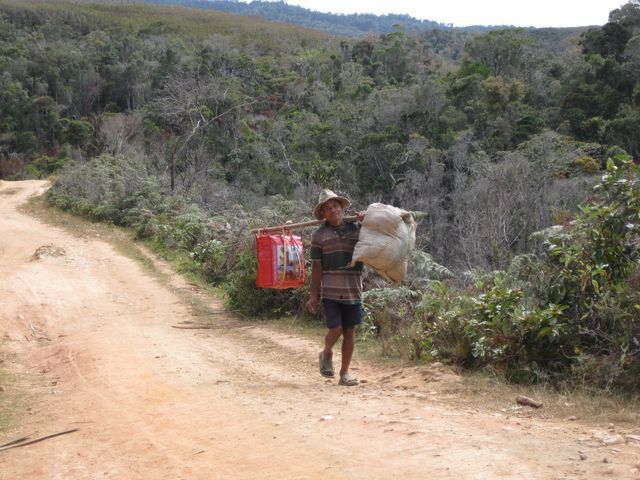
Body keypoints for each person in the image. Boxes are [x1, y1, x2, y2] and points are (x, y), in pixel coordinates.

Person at [307, 189, 365, 386]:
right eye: (328, 208)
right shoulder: (319, 235)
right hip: (330, 290)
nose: (333, 210)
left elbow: (375, 236)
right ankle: (326, 352)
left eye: (335, 206)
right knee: (336, 329)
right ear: (323, 214)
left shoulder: (357, 229)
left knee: (350, 332)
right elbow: (317, 267)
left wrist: (367, 220)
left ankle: (344, 373)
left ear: (341, 207)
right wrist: (313, 296)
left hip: (353, 290)